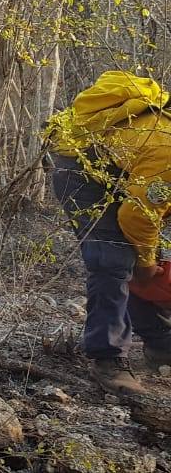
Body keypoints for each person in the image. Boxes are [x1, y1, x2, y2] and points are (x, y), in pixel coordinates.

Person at [46, 70, 171, 395]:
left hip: (124, 172)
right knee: (112, 258)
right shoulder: (167, 156)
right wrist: (145, 263)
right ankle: (108, 359)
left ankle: (161, 344)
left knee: (146, 257)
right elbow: (138, 216)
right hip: (80, 169)